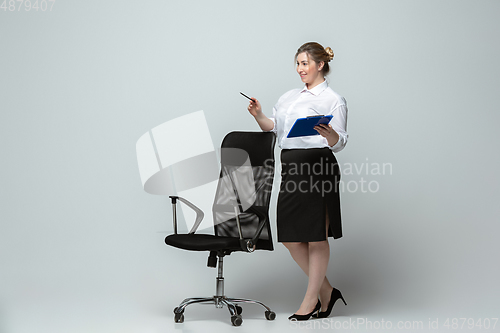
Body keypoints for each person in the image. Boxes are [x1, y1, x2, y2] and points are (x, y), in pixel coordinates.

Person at [247, 42, 348, 321]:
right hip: (291, 167)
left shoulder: (333, 99)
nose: (300, 69)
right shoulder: (289, 96)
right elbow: (275, 129)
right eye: (298, 63)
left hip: (318, 167)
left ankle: (311, 299)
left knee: (316, 236)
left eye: (305, 63)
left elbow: (340, 142)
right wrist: (259, 116)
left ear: (320, 65)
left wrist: (328, 134)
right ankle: (327, 291)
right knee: (290, 237)